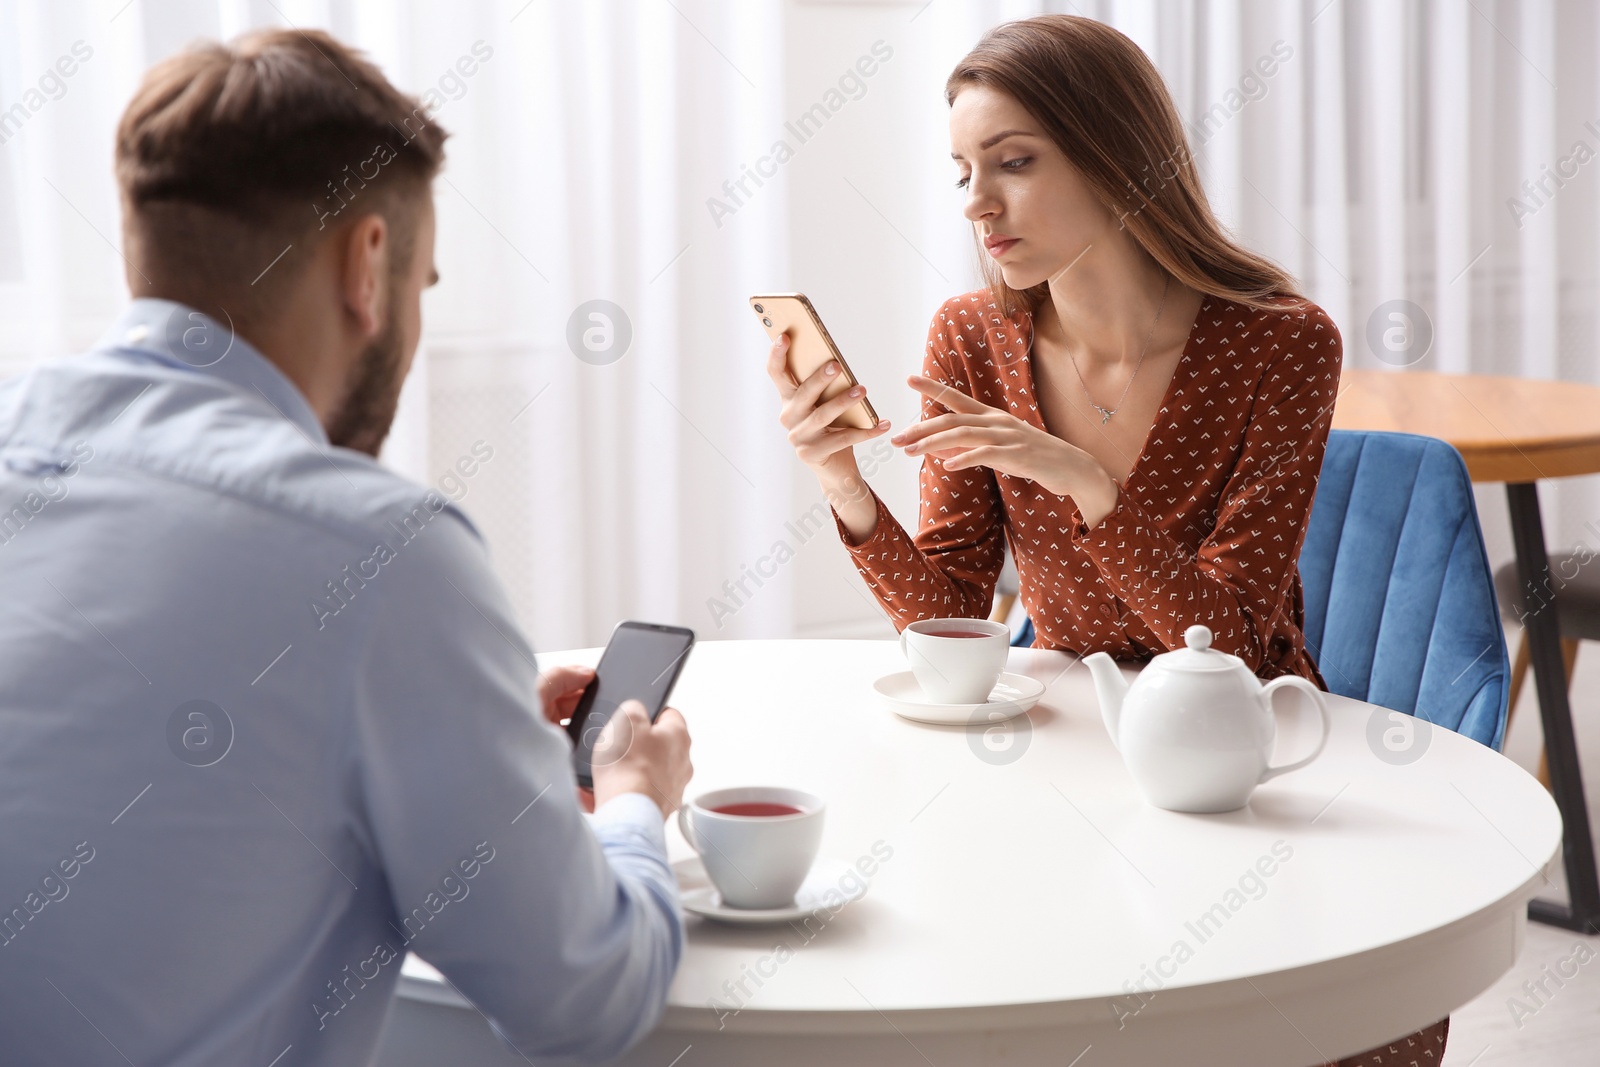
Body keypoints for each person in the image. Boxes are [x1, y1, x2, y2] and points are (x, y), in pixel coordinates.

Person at [0, 28, 691, 1066]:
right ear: (368, 264)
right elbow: (579, 999)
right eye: (425, 285)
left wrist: (455, 706)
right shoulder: (376, 553)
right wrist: (635, 801)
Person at [768, 15, 1446, 1067]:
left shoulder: (1280, 341)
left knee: (1343, 1012)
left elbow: (1219, 630)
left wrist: (1084, 483)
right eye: (961, 171)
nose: (977, 204)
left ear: (1119, 154)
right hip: (1058, 745)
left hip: (1236, 746)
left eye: (1014, 162)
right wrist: (841, 483)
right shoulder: (972, 334)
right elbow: (948, 610)